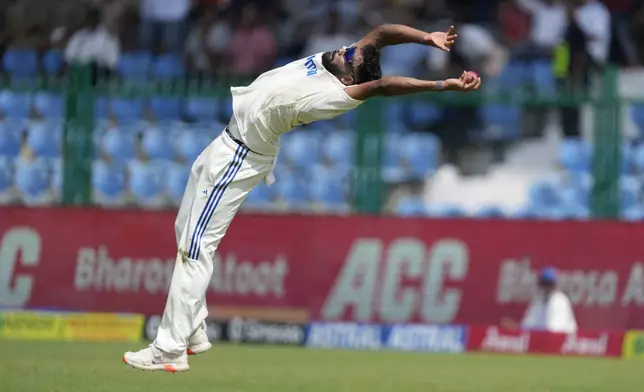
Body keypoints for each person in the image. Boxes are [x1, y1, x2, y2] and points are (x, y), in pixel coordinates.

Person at [122, 23, 482, 373]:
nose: (346, 49)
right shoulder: (339, 61)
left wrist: (442, 84)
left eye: (351, 56)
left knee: (196, 250)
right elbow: (384, 33)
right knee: (184, 228)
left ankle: (168, 349)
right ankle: (194, 329)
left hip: (239, 158)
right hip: (226, 142)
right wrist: (427, 38)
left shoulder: (340, 93)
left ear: (349, 79)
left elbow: (385, 84)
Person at [502, 267, 578, 333]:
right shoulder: (538, 300)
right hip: (543, 341)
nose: (546, 287)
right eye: (544, 284)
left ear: (554, 285)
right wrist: (516, 328)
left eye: (549, 284)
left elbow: (553, 328)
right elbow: (529, 323)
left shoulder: (560, 300)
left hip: (565, 343)